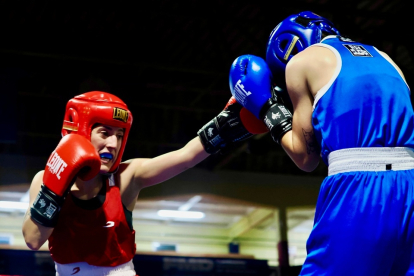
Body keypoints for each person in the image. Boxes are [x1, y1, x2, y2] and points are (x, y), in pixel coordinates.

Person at [229, 11, 414, 276]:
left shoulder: (301, 62)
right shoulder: (386, 58)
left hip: (359, 190)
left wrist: (267, 108)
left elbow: (306, 158)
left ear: (287, 47)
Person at [22, 91, 267, 275]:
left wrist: (221, 128)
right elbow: (33, 240)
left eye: (119, 135)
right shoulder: (45, 180)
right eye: (105, 133)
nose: (113, 144)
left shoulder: (126, 177)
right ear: (82, 131)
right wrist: (54, 190)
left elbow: (185, 157)